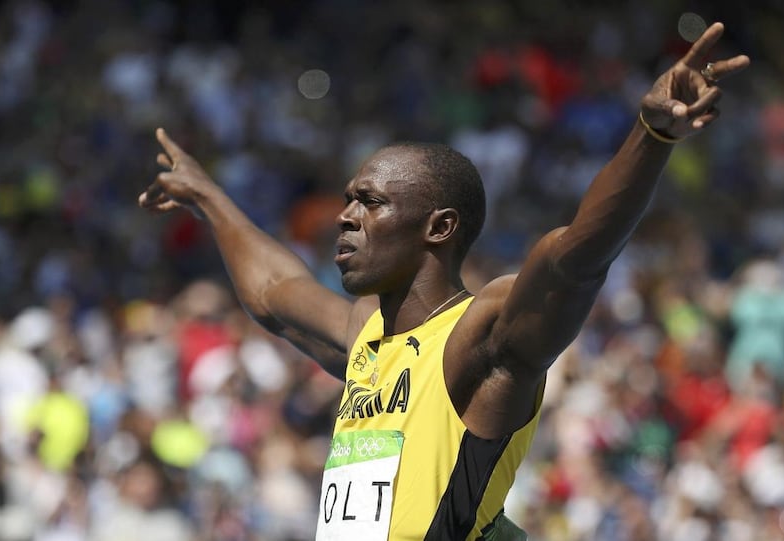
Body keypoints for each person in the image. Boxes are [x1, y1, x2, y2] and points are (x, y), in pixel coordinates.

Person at [139, 22, 748, 541]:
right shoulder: (365, 340)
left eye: (369, 202)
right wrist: (207, 196)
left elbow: (575, 259)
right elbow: (273, 293)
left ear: (439, 227)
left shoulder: (479, 340)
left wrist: (652, 135)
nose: (344, 216)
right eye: (348, 199)